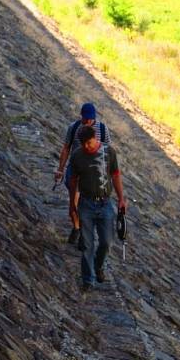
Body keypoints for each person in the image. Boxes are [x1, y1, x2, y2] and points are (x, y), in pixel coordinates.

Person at [69, 124, 126, 291]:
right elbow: (73, 181)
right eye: (84, 144)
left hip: (106, 203)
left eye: (90, 142)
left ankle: (98, 265)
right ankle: (88, 279)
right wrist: (73, 203)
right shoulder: (77, 156)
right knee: (87, 244)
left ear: (96, 137)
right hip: (86, 204)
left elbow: (115, 176)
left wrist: (121, 198)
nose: (88, 146)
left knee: (106, 242)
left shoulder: (109, 152)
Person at [54, 103, 111, 245]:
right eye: (86, 119)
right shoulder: (73, 127)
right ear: (81, 116)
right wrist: (60, 169)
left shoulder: (102, 130)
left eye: (91, 119)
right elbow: (66, 148)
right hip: (74, 170)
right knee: (74, 204)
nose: (88, 122)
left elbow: (108, 151)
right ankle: (77, 227)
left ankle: (84, 232)